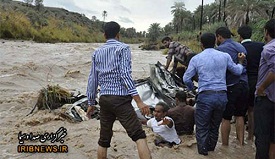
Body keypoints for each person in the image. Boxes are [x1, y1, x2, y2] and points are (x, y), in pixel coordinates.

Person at [86, 21, 151, 159]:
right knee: (139, 135)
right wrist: (138, 101)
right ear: (118, 35)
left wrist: (91, 103)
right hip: (120, 99)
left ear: (104, 35)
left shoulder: (96, 53)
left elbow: (92, 79)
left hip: (104, 99)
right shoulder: (123, 48)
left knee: (104, 139)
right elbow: (125, 75)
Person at [183, 32, 246, 155]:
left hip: (205, 95)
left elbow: (186, 79)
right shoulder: (225, 56)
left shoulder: (196, 58)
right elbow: (238, 71)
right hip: (222, 96)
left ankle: (203, 153)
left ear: (201, 44)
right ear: (215, 42)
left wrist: (193, 89)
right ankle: (211, 150)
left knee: (201, 127)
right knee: (214, 125)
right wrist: (241, 62)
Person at [216, 26, 249, 146]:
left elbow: (221, 69)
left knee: (226, 118)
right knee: (240, 115)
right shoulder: (241, 46)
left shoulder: (220, 49)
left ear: (219, 37)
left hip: (231, 85)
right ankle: (241, 144)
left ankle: (225, 147)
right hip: (244, 84)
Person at [237, 25, 265, 141]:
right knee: (252, 110)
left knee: (239, 113)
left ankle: (240, 141)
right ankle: (250, 138)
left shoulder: (238, 47)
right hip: (258, 81)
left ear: (240, 36)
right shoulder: (261, 46)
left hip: (242, 82)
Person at [254, 19, 275, 159]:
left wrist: (261, 87)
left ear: (266, 32)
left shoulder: (268, 48)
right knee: (273, 138)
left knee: (262, 136)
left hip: (266, 98)